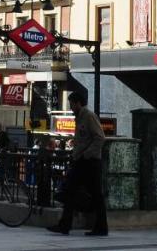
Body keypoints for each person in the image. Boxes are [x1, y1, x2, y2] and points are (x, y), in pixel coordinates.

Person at [47, 91, 107, 237]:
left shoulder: (89, 116)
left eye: (72, 104)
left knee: (96, 195)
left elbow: (100, 138)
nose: (71, 107)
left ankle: (100, 227)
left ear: (78, 103)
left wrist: (86, 154)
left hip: (90, 162)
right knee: (70, 191)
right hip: (80, 161)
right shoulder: (79, 118)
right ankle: (65, 225)